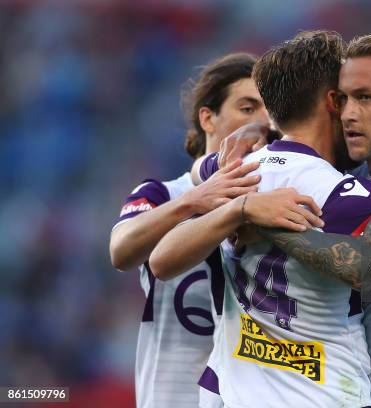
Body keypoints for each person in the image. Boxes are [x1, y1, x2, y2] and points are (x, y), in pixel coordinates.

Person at [151, 30, 371, 408]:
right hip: (332, 395)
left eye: (365, 97)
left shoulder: (238, 170)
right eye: (347, 99)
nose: (351, 113)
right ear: (330, 102)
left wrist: (249, 210)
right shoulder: (346, 191)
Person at [109, 53, 312, 408]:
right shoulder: (165, 194)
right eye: (247, 108)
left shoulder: (274, 202)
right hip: (171, 397)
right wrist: (194, 201)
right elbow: (121, 251)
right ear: (208, 118)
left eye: (268, 111)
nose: (261, 122)